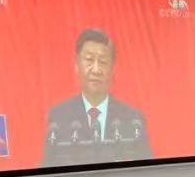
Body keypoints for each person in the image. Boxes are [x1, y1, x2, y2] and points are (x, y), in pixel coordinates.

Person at [41, 29, 151, 166]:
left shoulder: (133, 120)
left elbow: (145, 172)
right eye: (89, 60)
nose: (96, 69)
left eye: (103, 62)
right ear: (76, 66)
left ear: (112, 70)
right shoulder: (59, 118)